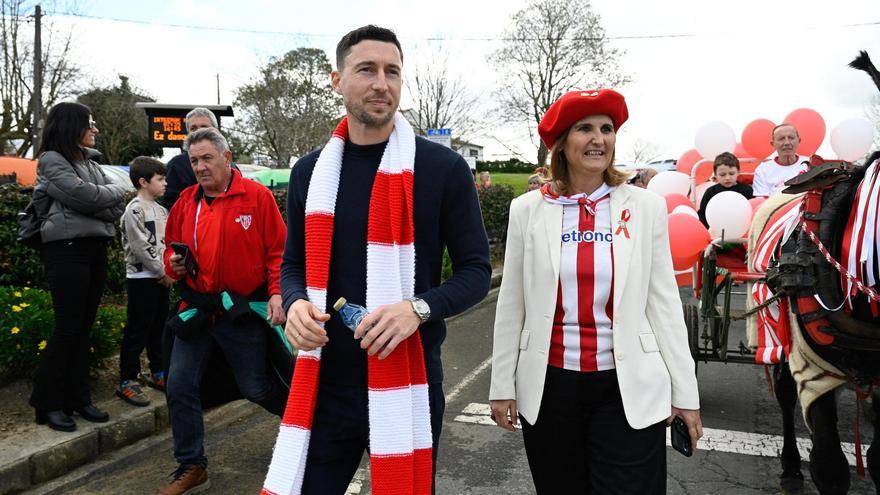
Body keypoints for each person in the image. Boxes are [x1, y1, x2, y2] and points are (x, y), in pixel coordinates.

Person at [262, 25, 491, 495]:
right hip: (326, 378)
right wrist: (296, 302)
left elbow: (476, 271)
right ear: (337, 81)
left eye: (392, 72)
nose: (381, 83)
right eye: (366, 69)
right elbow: (293, 265)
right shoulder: (310, 171)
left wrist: (417, 309)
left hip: (410, 375)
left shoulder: (442, 169)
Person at [488, 89, 702, 494]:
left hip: (627, 386)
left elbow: (664, 304)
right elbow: (511, 303)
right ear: (563, 144)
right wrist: (502, 385)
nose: (598, 138)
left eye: (606, 129)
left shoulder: (645, 207)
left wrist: (685, 392)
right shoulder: (527, 210)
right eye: (585, 129)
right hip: (551, 386)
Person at [158, 127, 288, 495]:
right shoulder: (185, 201)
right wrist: (174, 265)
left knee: (257, 388)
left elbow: (279, 252)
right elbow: (171, 249)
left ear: (227, 158)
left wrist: (278, 294)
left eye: (206, 159)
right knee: (179, 384)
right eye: (194, 160)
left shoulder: (257, 198)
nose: (199, 167)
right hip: (197, 310)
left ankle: (305, 428)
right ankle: (192, 466)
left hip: (240, 311)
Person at [28, 102, 128, 432]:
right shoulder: (51, 160)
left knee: (84, 326)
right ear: (72, 126)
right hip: (66, 251)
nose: (95, 129)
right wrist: (103, 196)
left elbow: (110, 206)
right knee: (68, 326)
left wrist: (99, 197)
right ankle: (48, 402)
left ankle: (79, 399)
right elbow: (86, 197)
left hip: (94, 247)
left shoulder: (88, 161)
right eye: (90, 123)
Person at [116, 157, 173, 407]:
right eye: (160, 179)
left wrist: (170, 271)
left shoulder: (162, 210)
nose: (165, 183)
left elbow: (167, 244)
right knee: (137, 329)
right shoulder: (134, 210)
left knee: (159, 326)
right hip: (141, 279)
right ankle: (127, 379)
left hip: (161, 278)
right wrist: (162, 271)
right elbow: (140, 245)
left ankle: (158, 371)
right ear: (143, 181)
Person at [158, 107, 217, 210]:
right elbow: (170, 205)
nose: (199, 132)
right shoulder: (177, 165)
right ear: (188, 133)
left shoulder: (229, 164)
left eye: (204, 127)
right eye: (193, 128)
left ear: (215, 131)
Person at [697, 152, 754, 228]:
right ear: (716, 174)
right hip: (715, 232)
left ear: (738, 172)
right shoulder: (710, 192)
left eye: (731, 173)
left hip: (741, 231)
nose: (727, 178)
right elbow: (702, 214)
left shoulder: (747, 190)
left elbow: (752, 211)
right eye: (722, 175)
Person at [752, 123, 810, 197]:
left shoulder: (810, 164)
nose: (787, 143)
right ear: (773, 144)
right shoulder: (763, 170)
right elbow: (762, 201)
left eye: (791, 138)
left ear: (799, 141)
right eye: (781, 139)